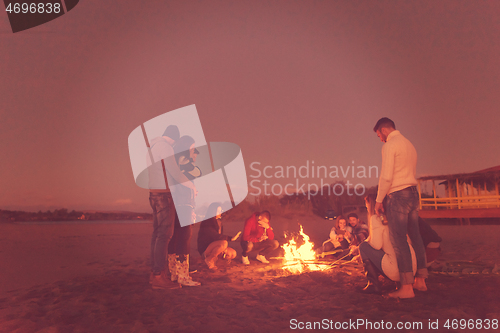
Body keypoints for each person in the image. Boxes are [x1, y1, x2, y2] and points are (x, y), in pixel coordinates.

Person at [373, 117, 428, 298]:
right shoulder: (409, 144)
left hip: (398, 195)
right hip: (413, 193)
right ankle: (420, 280)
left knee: (398, 239)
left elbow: (387, 176)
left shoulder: (390, 145)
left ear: (383, 130)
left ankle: (406, 287)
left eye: (379, 134)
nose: (380, 138)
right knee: (415, 236)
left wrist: (379, 200)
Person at [147, 125, 196, 290]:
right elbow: (175, 171)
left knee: (157, 235)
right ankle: (158, 276)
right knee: (164, 236)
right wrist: (192, 186)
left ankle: (156, 272)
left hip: (153, 193)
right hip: (164, 195)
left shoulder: (152, 148)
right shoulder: (165, 147)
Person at [359, 194, 417, 294]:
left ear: (373, 205)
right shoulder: (396, 216)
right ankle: (399, 284)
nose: (366, 207)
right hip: (411, 270)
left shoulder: (376, 218)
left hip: (396, 271)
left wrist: (362, 248)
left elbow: (376, 245)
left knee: (363, 247)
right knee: (369, 247)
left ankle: (373, 284)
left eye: (367, 205)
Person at [167, 135, 201, 286]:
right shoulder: (183, 165)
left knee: (175, 237)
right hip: (183, 204)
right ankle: (183, 276)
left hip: (176, 204)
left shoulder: (174, 163)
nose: (194, 153)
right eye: (192, 149)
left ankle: (174, 273)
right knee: (185, 237)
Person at [197, 202, 241, 270]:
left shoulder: (218, 221)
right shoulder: (207, 222)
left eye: (221, 210)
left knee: (233, 253)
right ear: (213, 212)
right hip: (205, 248)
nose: (220, 212)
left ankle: (217, 259)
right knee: (224, 243)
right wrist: (230, 238)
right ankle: (209, 259)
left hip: (215, 245)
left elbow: (219, 237)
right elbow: (215, 235)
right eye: (218, 211)